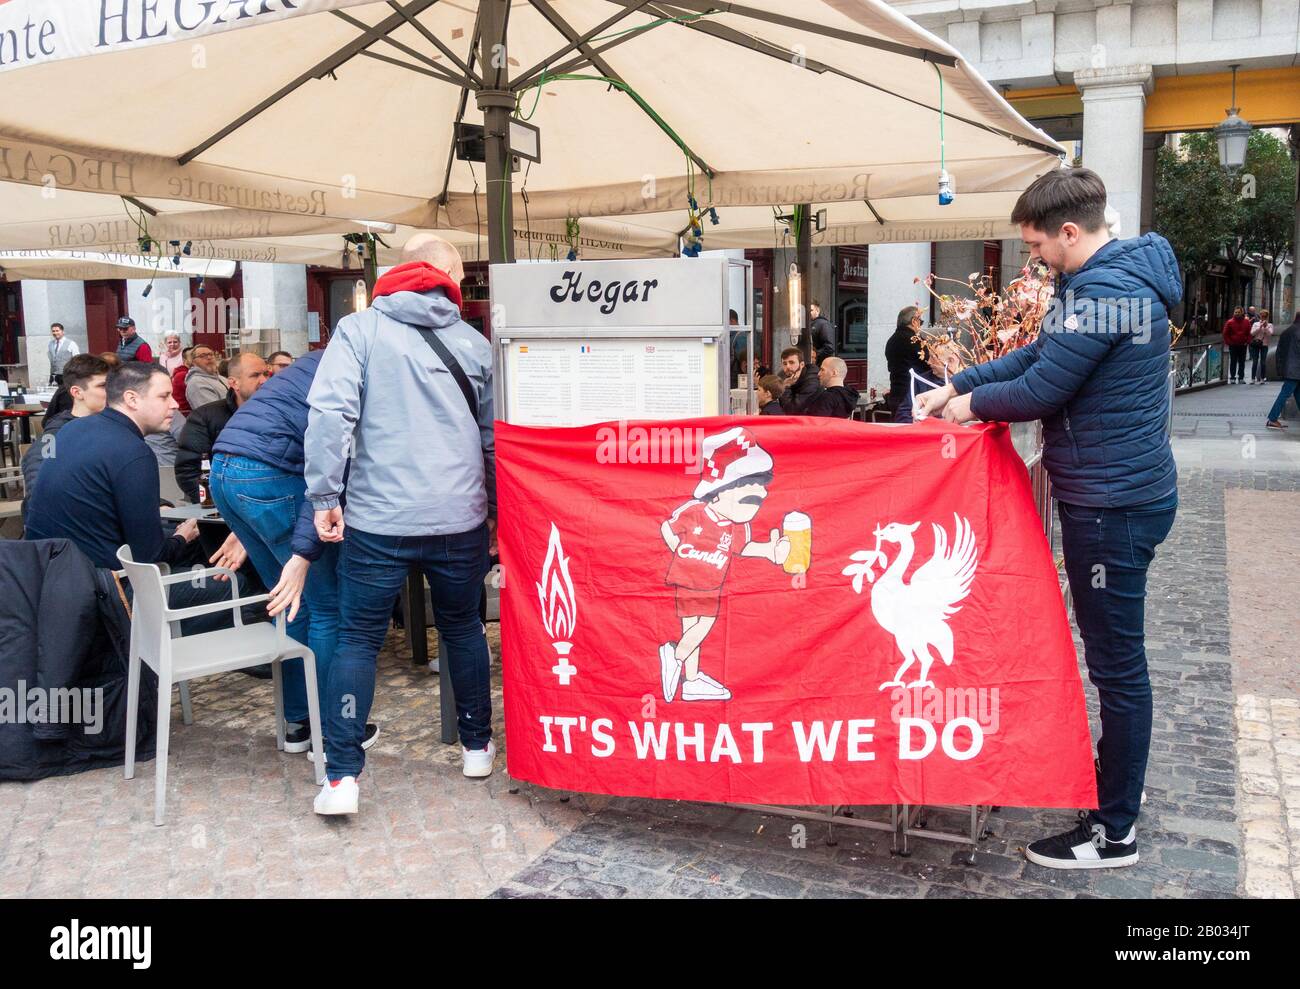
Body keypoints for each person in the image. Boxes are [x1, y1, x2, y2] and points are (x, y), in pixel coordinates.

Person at [915, 166, 1180, 870]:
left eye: (1037, 245)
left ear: (1071, 231)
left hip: (1111, 506)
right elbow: (1041, 353)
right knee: (1120, 662)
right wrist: (957, 383)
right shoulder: (1103, 283)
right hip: (1123, 492)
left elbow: (1042, 385)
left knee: (1119, 667)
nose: (1032, 258)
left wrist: (962, 408)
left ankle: (1114, 828)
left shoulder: (1106, 294)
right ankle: (1119, 790)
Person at [305, 232, 495, 815]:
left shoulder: (358, 332)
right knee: (462, 627)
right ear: (448, 281)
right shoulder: (474, 343)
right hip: (459, 516)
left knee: (358, 639)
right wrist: (496, 512)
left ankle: (341, 778)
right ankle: (476, 746)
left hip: (378, 518)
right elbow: (492, 440)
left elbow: (330, 415)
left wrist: (323, 494)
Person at [208, 349, 363, 756]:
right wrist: (303, 552)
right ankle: (333, 733)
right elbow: (330, 467)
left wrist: (249, 514)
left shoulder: (319, 360)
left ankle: (299, 723)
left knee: (294, 606)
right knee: (326, 607)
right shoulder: (363, 367)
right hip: (270, 475)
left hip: (226, 469)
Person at [23, 362, 250, 636]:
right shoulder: (133, 452)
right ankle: (161, 653)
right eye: (164, 396)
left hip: (47, 579)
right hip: (107, 593)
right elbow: (150, 556)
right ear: (132, 399)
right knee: (237, 581)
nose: (175, 405)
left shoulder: (73, 430)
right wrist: (182, 536)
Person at [21, 354, 110, 519]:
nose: (112, 391)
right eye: (103, 385)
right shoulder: (56, 433)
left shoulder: (113, 427)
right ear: (77, 392)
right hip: (71, 529)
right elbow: (39, 476)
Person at [175, 352, 269, 503]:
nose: (264, 380)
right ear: (233, 383)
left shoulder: (281, 415)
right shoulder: (204, 417)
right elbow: (189, 472)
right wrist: (224, 505)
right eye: (255, 375)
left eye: (266, 374)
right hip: (224, 511)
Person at [895, 339, 959, 424]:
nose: (928, 362)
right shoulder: (920, 381)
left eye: (933, 358)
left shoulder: (969, 382)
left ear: (951, 360)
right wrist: (917, 421)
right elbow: (902, 415)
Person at [885, 306, 929, 414]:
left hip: (896, 393)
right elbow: (929, 364)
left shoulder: (891, 341)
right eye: (921, 322)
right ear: (914, 321)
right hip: (914, 394)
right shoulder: (916, 341)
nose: (920, 326)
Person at [1265, 315, 1300, 429]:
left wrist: (1280, 368)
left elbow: (1279, 351)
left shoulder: (1287, 331)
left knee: (1297, 393)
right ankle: (1273, 418)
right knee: (1285, 393)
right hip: (1296, 369)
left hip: (1290, 368)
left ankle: (1273, 418)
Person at [184, 344, 227, 410]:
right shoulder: (196, 383)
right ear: (193, 362)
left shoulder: (222, 378)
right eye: (203, 356)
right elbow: (213, 413)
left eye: (211, 354)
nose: (209, 358)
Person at [777, 346, 819, 412]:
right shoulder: (782, 376)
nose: (788, 366)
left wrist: (786, 386)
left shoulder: (811, 381)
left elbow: (792, 409)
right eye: (784, 363)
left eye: (791, 362)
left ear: (802, 364)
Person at [1222, 306, 1252, 383]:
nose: (1237, 314)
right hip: (1233, 345)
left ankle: (1241, 377)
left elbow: (1249, 333)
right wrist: (1229, 342)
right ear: (1234, 313)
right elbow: (1225, 334)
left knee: (1242, 362)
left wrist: (1247, 342)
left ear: (1242, 313)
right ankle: (1232, 377)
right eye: (1236, 312)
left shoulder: (1246, 322)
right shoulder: (1230, 322)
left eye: (1238, 312)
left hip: (1243, 345)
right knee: (1233, 361)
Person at [800, 301, 835, 365]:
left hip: (819, 365)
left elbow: (829, 348)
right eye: (806, 310)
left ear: (817, 311)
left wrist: (815, 354)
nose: (808, 312)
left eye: (811, 310)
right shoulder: (806, 324)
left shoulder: (824, 324)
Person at [1249, 309, 1274, 384]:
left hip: (1264, 344)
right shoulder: (1256, 324)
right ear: (1260, 316)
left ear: (1267, 317)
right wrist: (1260, 327)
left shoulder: (1270, 325)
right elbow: (1252, 333)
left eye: (1265, 316)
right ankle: (1253, 378)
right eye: (1262, 316)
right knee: (1255, 361)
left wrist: (1266, 327)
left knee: (1263, 362)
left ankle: (1262, 378)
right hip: (1256, 344)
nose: (1263, 318)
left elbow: (1270, 334)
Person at [172, 346, 194, 415]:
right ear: (184, 360)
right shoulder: (182, 375)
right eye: (192, 356)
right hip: (186, 414)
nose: (196, 359)